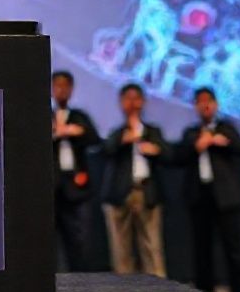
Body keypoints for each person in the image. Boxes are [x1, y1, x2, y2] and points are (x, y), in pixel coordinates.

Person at [177, 87, 240, 292]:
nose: (205, 105)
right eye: (200, 102)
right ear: (195, 106)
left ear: (216, 104)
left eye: (208, 101)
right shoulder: (191, 132)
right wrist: (197, 146)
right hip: (200, 196)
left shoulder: (226, 128)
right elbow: (178, 157)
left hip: (225, 197)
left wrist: (222, 141)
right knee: (202, 252)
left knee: (233, 252)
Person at [102, 82, 170, 277]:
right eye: (128, 99)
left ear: (143, 102)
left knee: (152, 249)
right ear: (121, 102)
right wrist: (124, 139)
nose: (132, 103)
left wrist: (155, 150)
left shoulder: (152, 132)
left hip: (147, 193)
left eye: (136, 99)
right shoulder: (116, 132)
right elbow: (106, 150)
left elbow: (170, 155)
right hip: (120, 194)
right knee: (121, 252)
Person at [51, 70, 101, 271]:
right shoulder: (45, 115)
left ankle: (80, 279)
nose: (61, 90)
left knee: (80, 238)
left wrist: (77, 131)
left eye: (65, 86)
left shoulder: (79, 117)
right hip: (51, 186)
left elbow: (95, 140)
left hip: (76, 185)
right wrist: (55, 133)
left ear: (71, 89)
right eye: (57, 86)